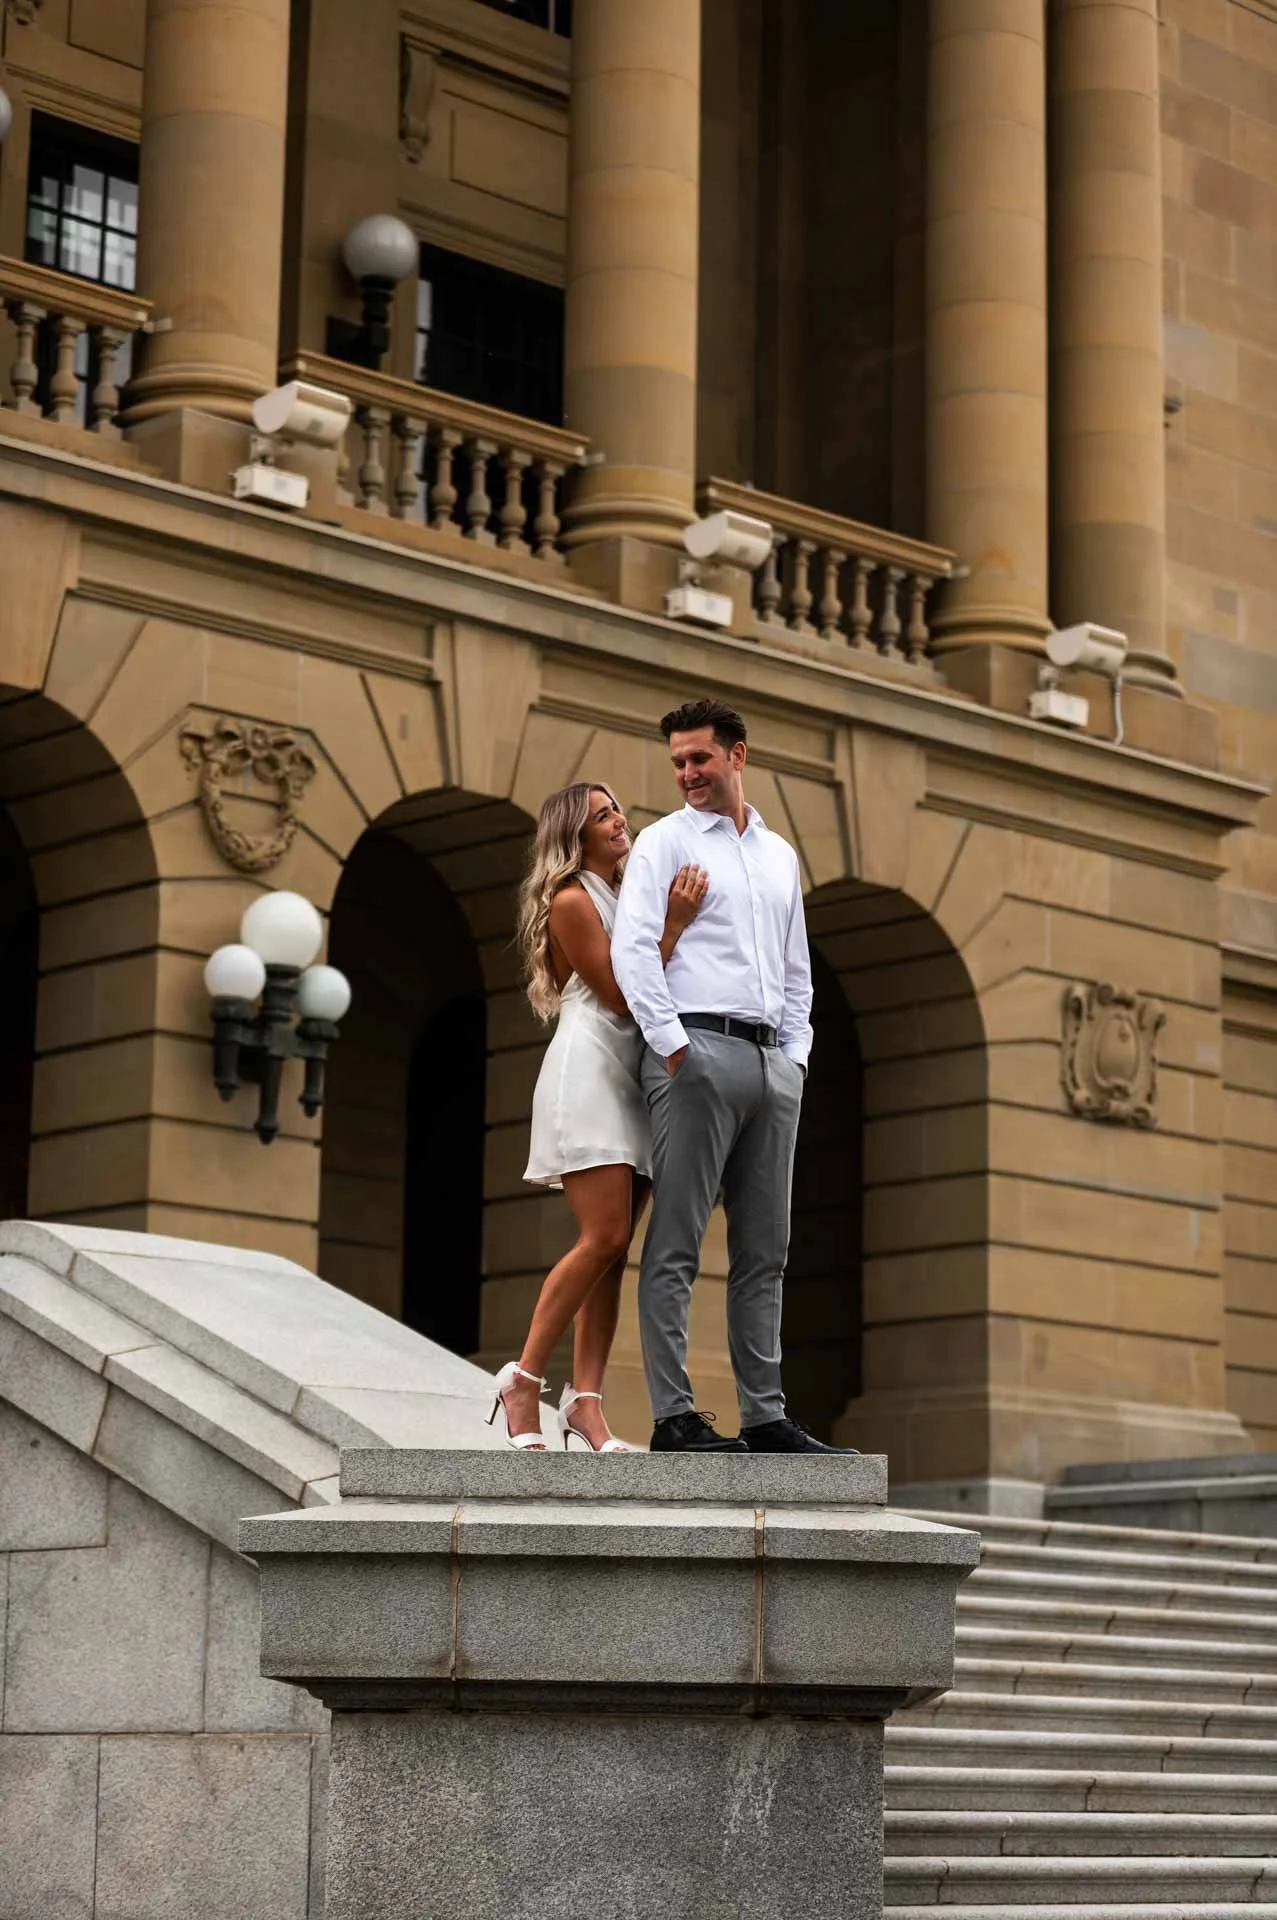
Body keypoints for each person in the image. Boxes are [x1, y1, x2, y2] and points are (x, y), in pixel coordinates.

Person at [612, 697, 858, 1454]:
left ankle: (765, 1414)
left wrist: (795, 1060)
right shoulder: (661, 842)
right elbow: (632, 951)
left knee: (765, 1250)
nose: (687, 773)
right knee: (677, 1243)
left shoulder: (778, 856)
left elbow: (795, 970)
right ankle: (673, 1417)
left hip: (769, 1066)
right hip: (696, 1051)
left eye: (699, 759)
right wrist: (672, 1046)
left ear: (737, 756)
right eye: (678, 762)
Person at [487, 781, 708, 1451]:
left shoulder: (623, 892)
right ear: (574, 837)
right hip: (589, 1071)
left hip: (634, 1078)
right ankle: (522, 1379)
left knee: (614, 1256)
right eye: (600, 816)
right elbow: (619, 997)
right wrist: (673, 925)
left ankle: (586, 1402)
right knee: (602, 1238)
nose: (617, 821)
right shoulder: (573, 900)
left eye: (617, 808)